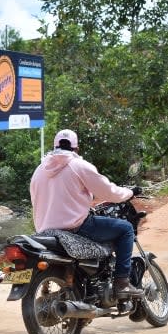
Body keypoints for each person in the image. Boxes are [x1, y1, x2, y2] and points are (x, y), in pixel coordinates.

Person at [29, 129, 143, 305]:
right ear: (76, 148)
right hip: (75, 227)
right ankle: (122, 283)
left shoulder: (40, 169)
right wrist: (129, 193)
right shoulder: (79, 166)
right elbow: (109, 192)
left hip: (45, 230)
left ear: (55, 146)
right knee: (126, 229)